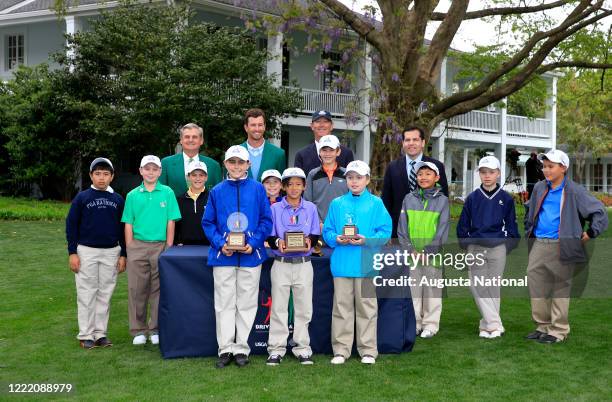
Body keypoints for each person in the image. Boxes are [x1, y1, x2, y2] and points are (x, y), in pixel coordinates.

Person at [524, 149, 608, 344]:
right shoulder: (539, 188)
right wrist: (529, 230)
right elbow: (530, 209)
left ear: (563, 168)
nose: (546, 170)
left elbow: (598, 211)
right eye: (544, 166)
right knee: (537, 286)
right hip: (539, 243)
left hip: (563, 245)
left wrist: (591, 232)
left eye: (551, 166)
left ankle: (558, 330)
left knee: (560, 287)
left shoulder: (574, 190)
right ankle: (542, 326)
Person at [202, 145, 273, 368]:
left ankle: (242, 348)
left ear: (248, 165)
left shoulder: (258, 189)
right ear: (225, 164)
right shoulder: (217, 191)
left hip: (251, 257)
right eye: (232, 162)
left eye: (240, 162)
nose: (236, 166)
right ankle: (225, 348)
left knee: (247, 303)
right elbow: (208, 223)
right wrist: (221, 244)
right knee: (224, 303)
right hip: (223, 256)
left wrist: (253, 243)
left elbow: (266, 221)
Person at [323, 160, 392, 365]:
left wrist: (366, 240)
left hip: (367, 264)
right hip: (342, 264)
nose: (354, 181)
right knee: (342, 308)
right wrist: (336, 238)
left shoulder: (376, 204)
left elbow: (385, 232)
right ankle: (341, 350)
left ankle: (368, 350)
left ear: (367, 180)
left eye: (359, 178)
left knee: (367, 309)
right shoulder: (337, 204)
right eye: (350, 177)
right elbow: (327, 232)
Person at [66, 157, 126, 349]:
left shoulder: (117, 199)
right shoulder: (82, 198)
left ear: (112, 176)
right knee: (86, 292)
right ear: (91, 175)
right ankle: (86, 334)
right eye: (98, 174)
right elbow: (71, 226)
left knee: (105, 293)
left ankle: (100, 333)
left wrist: (123, 254)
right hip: (86, 251)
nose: (102, 178)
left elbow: (124, 228)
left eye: (106, 174)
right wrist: (72, 252)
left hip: (111, 252)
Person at [457, 156, 520, 339]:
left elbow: (511, 226)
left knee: (493, 287)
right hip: (475, 247)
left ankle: (486, 325)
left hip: (497, 248)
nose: (487, 176)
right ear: (479, 174)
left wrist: (506, 245)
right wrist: (467, 243)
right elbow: (463, 226)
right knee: (477, 286)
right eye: (483, 172)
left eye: (491, 172)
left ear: (498, 174)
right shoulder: (472, 198)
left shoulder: (506, 199)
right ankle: (495, 324)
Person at [122, 155, 181, 346]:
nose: (151, 172)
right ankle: (138, 330)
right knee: (137, 288)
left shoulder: (167, 192)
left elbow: (170, 221)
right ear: (140, 171)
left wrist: (169, 247)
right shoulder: (132, 195)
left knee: (158, 289)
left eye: (155, 169)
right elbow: (128, 223)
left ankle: (155, 328)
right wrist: (130, 246)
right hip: (138, 246)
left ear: (160, 172)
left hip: (160, 245)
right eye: (147, 169)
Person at [265, 167, 320, 366]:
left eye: (298, 184)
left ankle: (302, 348)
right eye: (290, 184)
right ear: (284, 187)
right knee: (279, 308)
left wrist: (309, 242)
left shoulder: (311, 208)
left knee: (304, 308)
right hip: (281, 263)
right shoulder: (274, 209)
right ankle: (276, 349)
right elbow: (270, 236)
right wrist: (278, 242)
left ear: (304, 186)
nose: (294, 188)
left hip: (304, 264)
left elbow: (314, 235)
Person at [397, 161, 449, 339]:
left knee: (432, 291)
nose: (423, 177)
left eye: (428, 174)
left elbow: (442, 230)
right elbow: (402, 229)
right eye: (420, 174)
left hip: (432, 256)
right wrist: (411, 250)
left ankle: (430, 324)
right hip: (411, 255)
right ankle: (416, 323)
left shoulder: (442, 201)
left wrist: (427, 252)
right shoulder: (408, 199)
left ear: (437, 177)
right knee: (413, 290)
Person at [382, 126, 449, 238]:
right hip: (398, 233)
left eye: (415, 139)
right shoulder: (392, 167)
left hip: (428, 233)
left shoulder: (437, 166)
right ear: (403, 143)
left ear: (422, 142)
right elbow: (386, 202)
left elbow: (443, 200)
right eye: (407, 140)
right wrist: (388, 232)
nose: (411, 143)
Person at [160, 123, 222, 196]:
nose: (190, 140)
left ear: (201, 141)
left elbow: (218, 195)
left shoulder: (213, 165)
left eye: (195, 137)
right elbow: (161, 193)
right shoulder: (166, 163)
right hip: (175, 207)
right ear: (181, 140)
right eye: (187, 137)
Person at [304, 134, 349, 225]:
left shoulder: (347, 174)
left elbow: (352, 201)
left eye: (331, 150)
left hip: (343, 225)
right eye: (324, 150)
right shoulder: (313, 174)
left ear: (338, 152)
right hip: (319, 226)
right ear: (319, 152)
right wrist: (317, 222)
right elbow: (308, 202)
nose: (327, 154)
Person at [294, 110, 354, 175]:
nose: (321, 125)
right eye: (317, 121)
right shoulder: (301, 155)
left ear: (331, 126)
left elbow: (351, 179)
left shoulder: (346, 153)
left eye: (325, 122)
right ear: (312, 126)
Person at [239, 108, 286, 181]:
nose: (257, 129)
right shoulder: (236, 153)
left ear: (264, 126)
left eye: (260, 125)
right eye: (253, 125)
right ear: (246, 128)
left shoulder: (278, 154)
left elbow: (282, 185)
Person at [174, 161, 210, 246]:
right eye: (194, 175)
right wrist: (176, 242)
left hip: (208, 246)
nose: (198, 178)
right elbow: (176, 224)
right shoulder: (180, 199)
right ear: (188, 177)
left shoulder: (212, 198)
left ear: (206, 177)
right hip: (185, 247)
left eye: (201, 175)